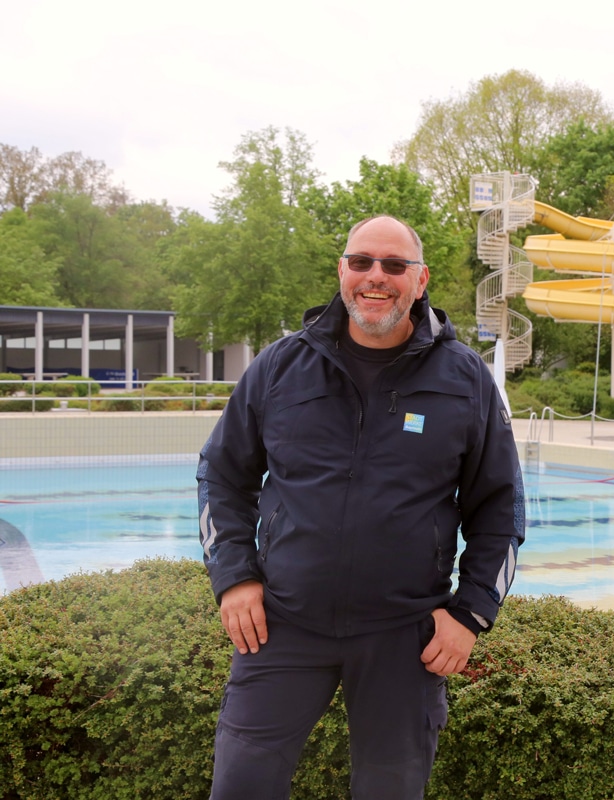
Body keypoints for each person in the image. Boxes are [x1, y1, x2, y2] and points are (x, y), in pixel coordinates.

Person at [197, 215, 524, 799]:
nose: (377, 277)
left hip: (404, 635)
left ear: (420, 281)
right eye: (362, 262)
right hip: (284, 625)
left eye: (394, 266)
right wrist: (234, 578)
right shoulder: (279, 367)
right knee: (240, 787)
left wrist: (471, 613)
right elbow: (221, 475)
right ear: (342, 272)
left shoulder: (466, 379)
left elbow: (500, 509)